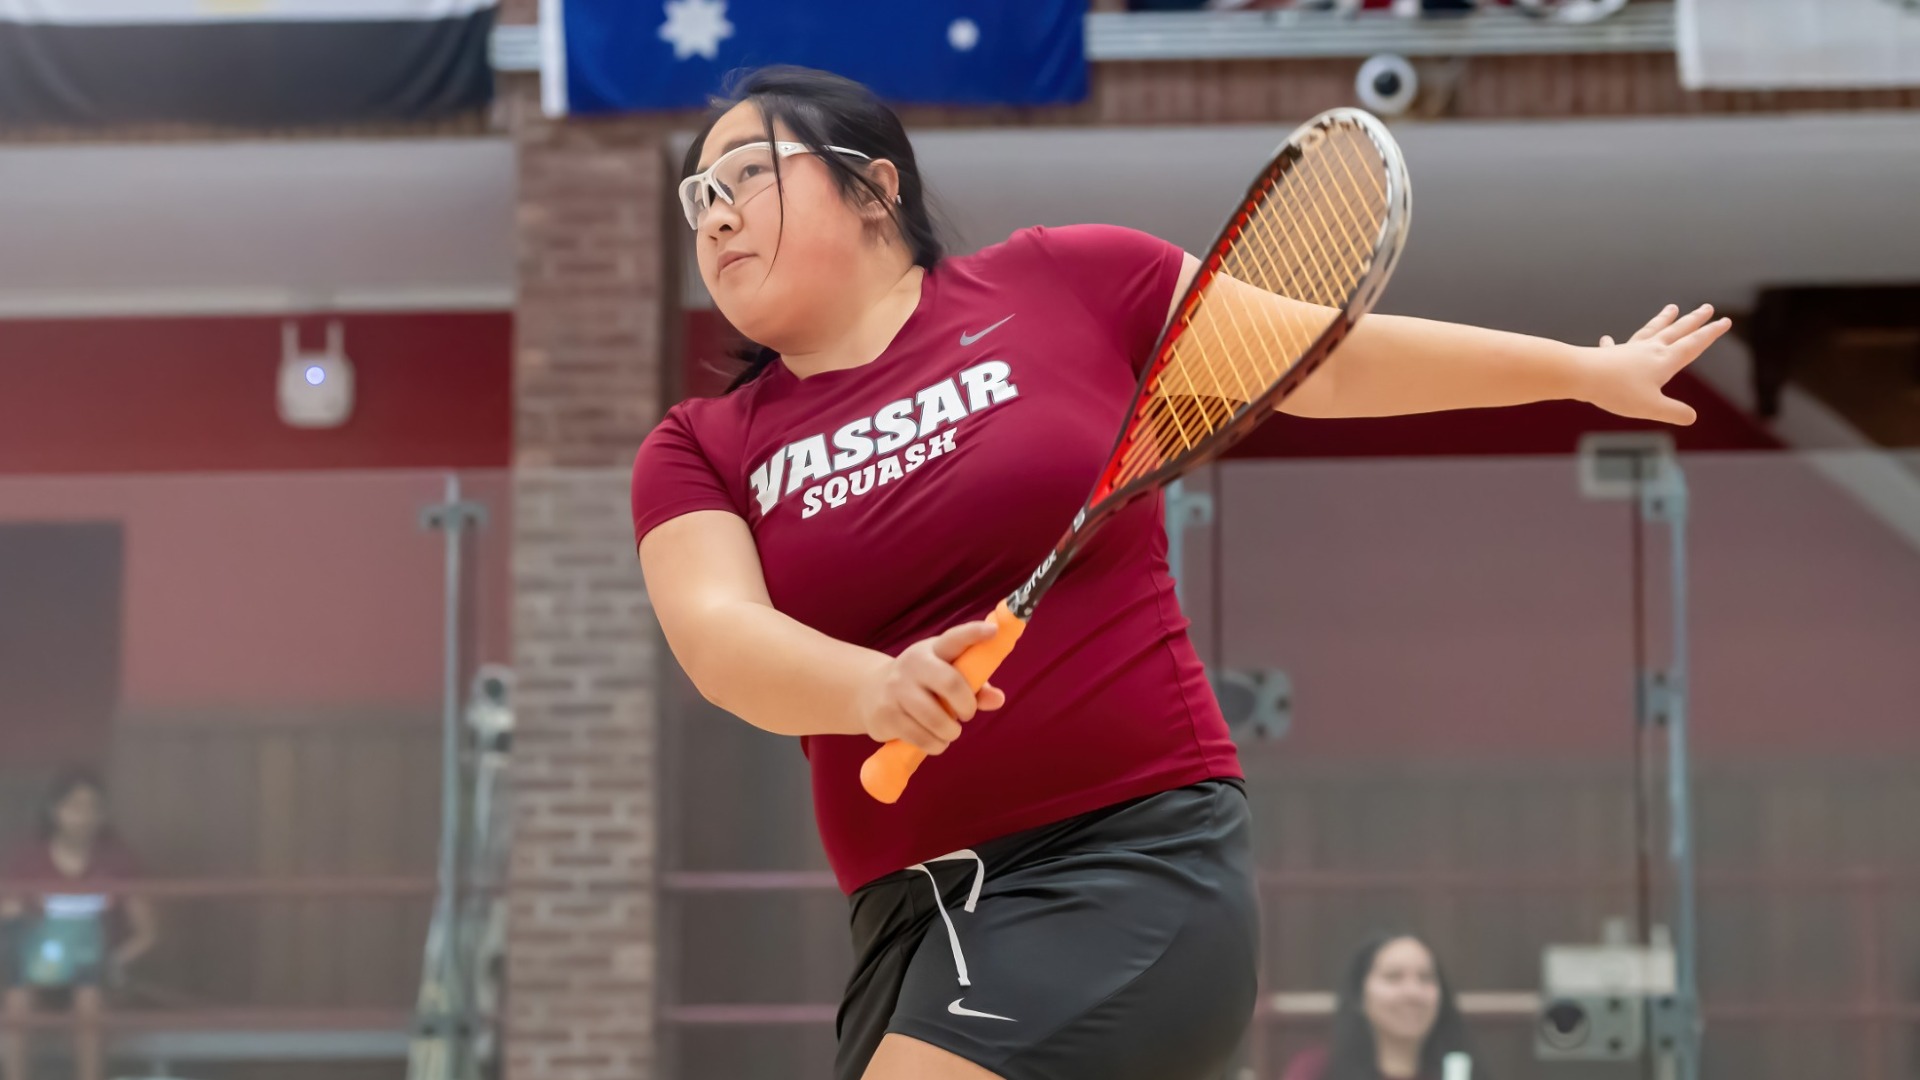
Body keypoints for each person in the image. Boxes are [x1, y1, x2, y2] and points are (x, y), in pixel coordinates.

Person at [631, 64, 1726, 1080]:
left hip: (1126, 865)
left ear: (875, 189)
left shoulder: (1067, 282)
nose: (715, 215)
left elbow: (1323, 363)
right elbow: (720, 638)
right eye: (699, 198)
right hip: (910, 925)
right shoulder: (700, 447)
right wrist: (871, 689)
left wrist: (1581, 373)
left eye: (748, 175)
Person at [1, 771, 157, 1080]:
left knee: (89, 998)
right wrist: (15, 912)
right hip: (39, 967)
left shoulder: (118, 862)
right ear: (54, 810)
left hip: (96, 970)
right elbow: (6, 916)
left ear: (103, 814)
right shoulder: (27, 860)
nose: (82, 817)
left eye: (92, 807)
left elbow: (148, 933)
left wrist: (112, 961)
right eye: (73, 806)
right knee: (17, 999)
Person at [1282, 933, 1479, 1080]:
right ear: (1359, 994)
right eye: (1393, 977)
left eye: (1425, 978)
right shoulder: (1316, 1070)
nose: (1413, 992)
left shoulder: (1464, 1072)